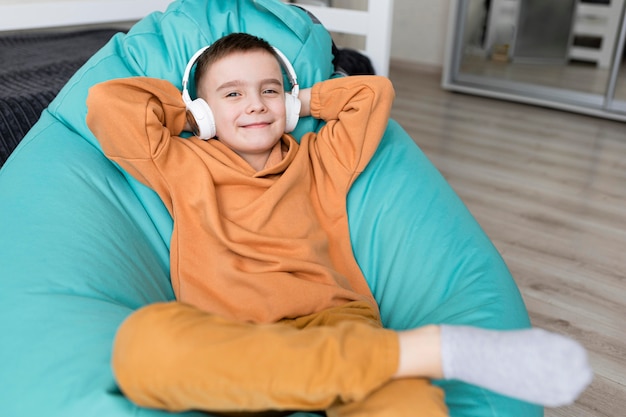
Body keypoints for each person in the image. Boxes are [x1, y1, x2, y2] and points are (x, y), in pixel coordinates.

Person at [86, 33, 592, 416]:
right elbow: (109, 105)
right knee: (142, 348)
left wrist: (300, 104)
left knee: (410, 404)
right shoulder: (180, 162)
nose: (257, 103)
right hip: (229, 333)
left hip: (331, 321)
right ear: (204, 108)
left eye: (269, 90)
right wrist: (194, 118)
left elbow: (372, 95)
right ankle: (424, 353)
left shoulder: (318, 157)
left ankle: (400, 361)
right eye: (233, 94)